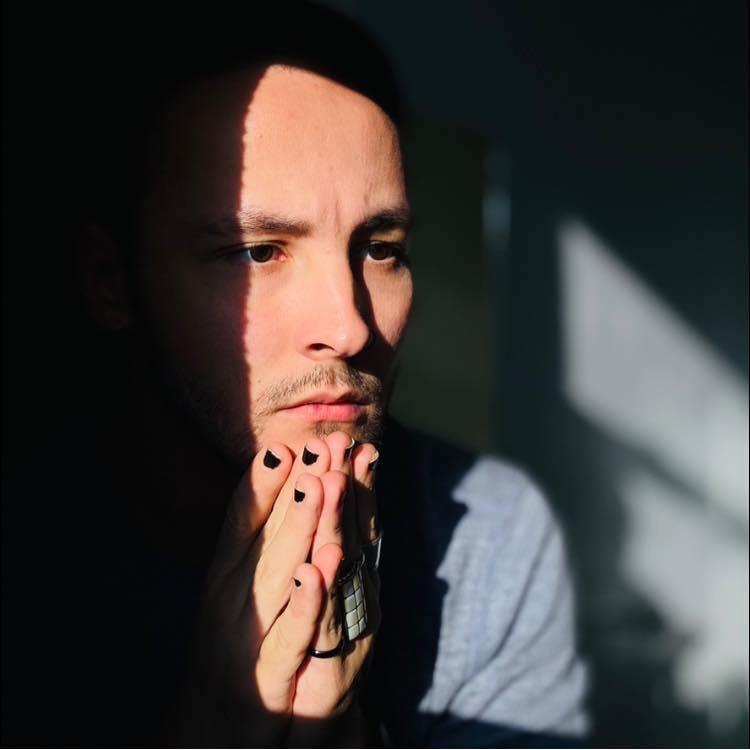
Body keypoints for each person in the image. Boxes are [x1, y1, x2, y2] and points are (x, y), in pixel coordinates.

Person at [2, 2, 587, 746]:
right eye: (258, 252)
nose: (349, 329)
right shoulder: (29, 552)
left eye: (381, 248)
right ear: (111, 281)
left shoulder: (488, 533)